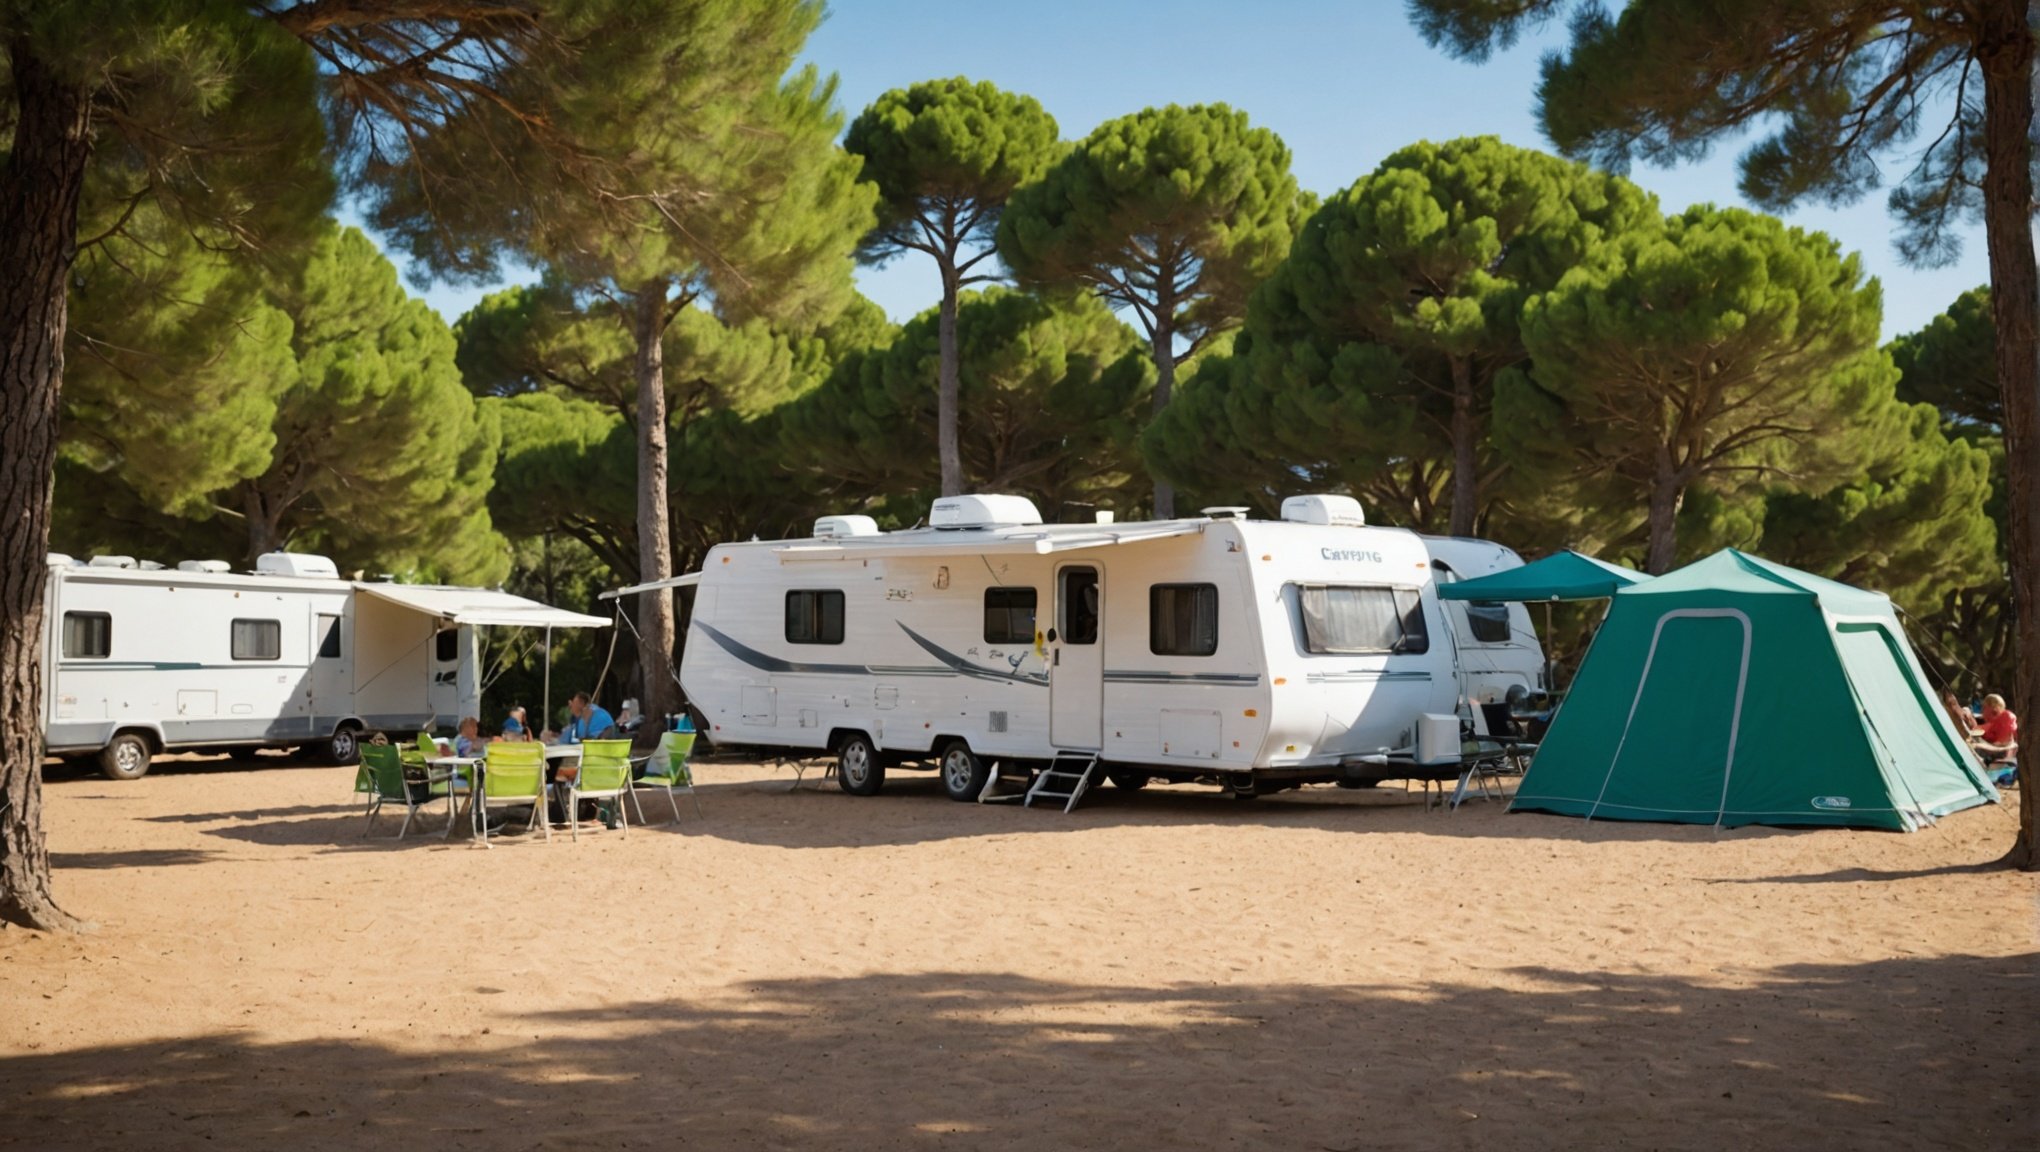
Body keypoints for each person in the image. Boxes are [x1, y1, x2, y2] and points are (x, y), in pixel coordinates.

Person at [1973, 693, 2018, 766]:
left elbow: (2003, 743)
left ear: (1994, 708)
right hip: (1993, 752)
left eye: (1984, 707)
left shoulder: (2007, 716)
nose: (1982, 711)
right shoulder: (1992, 723)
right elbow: (1976, 731)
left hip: (2000, 753)